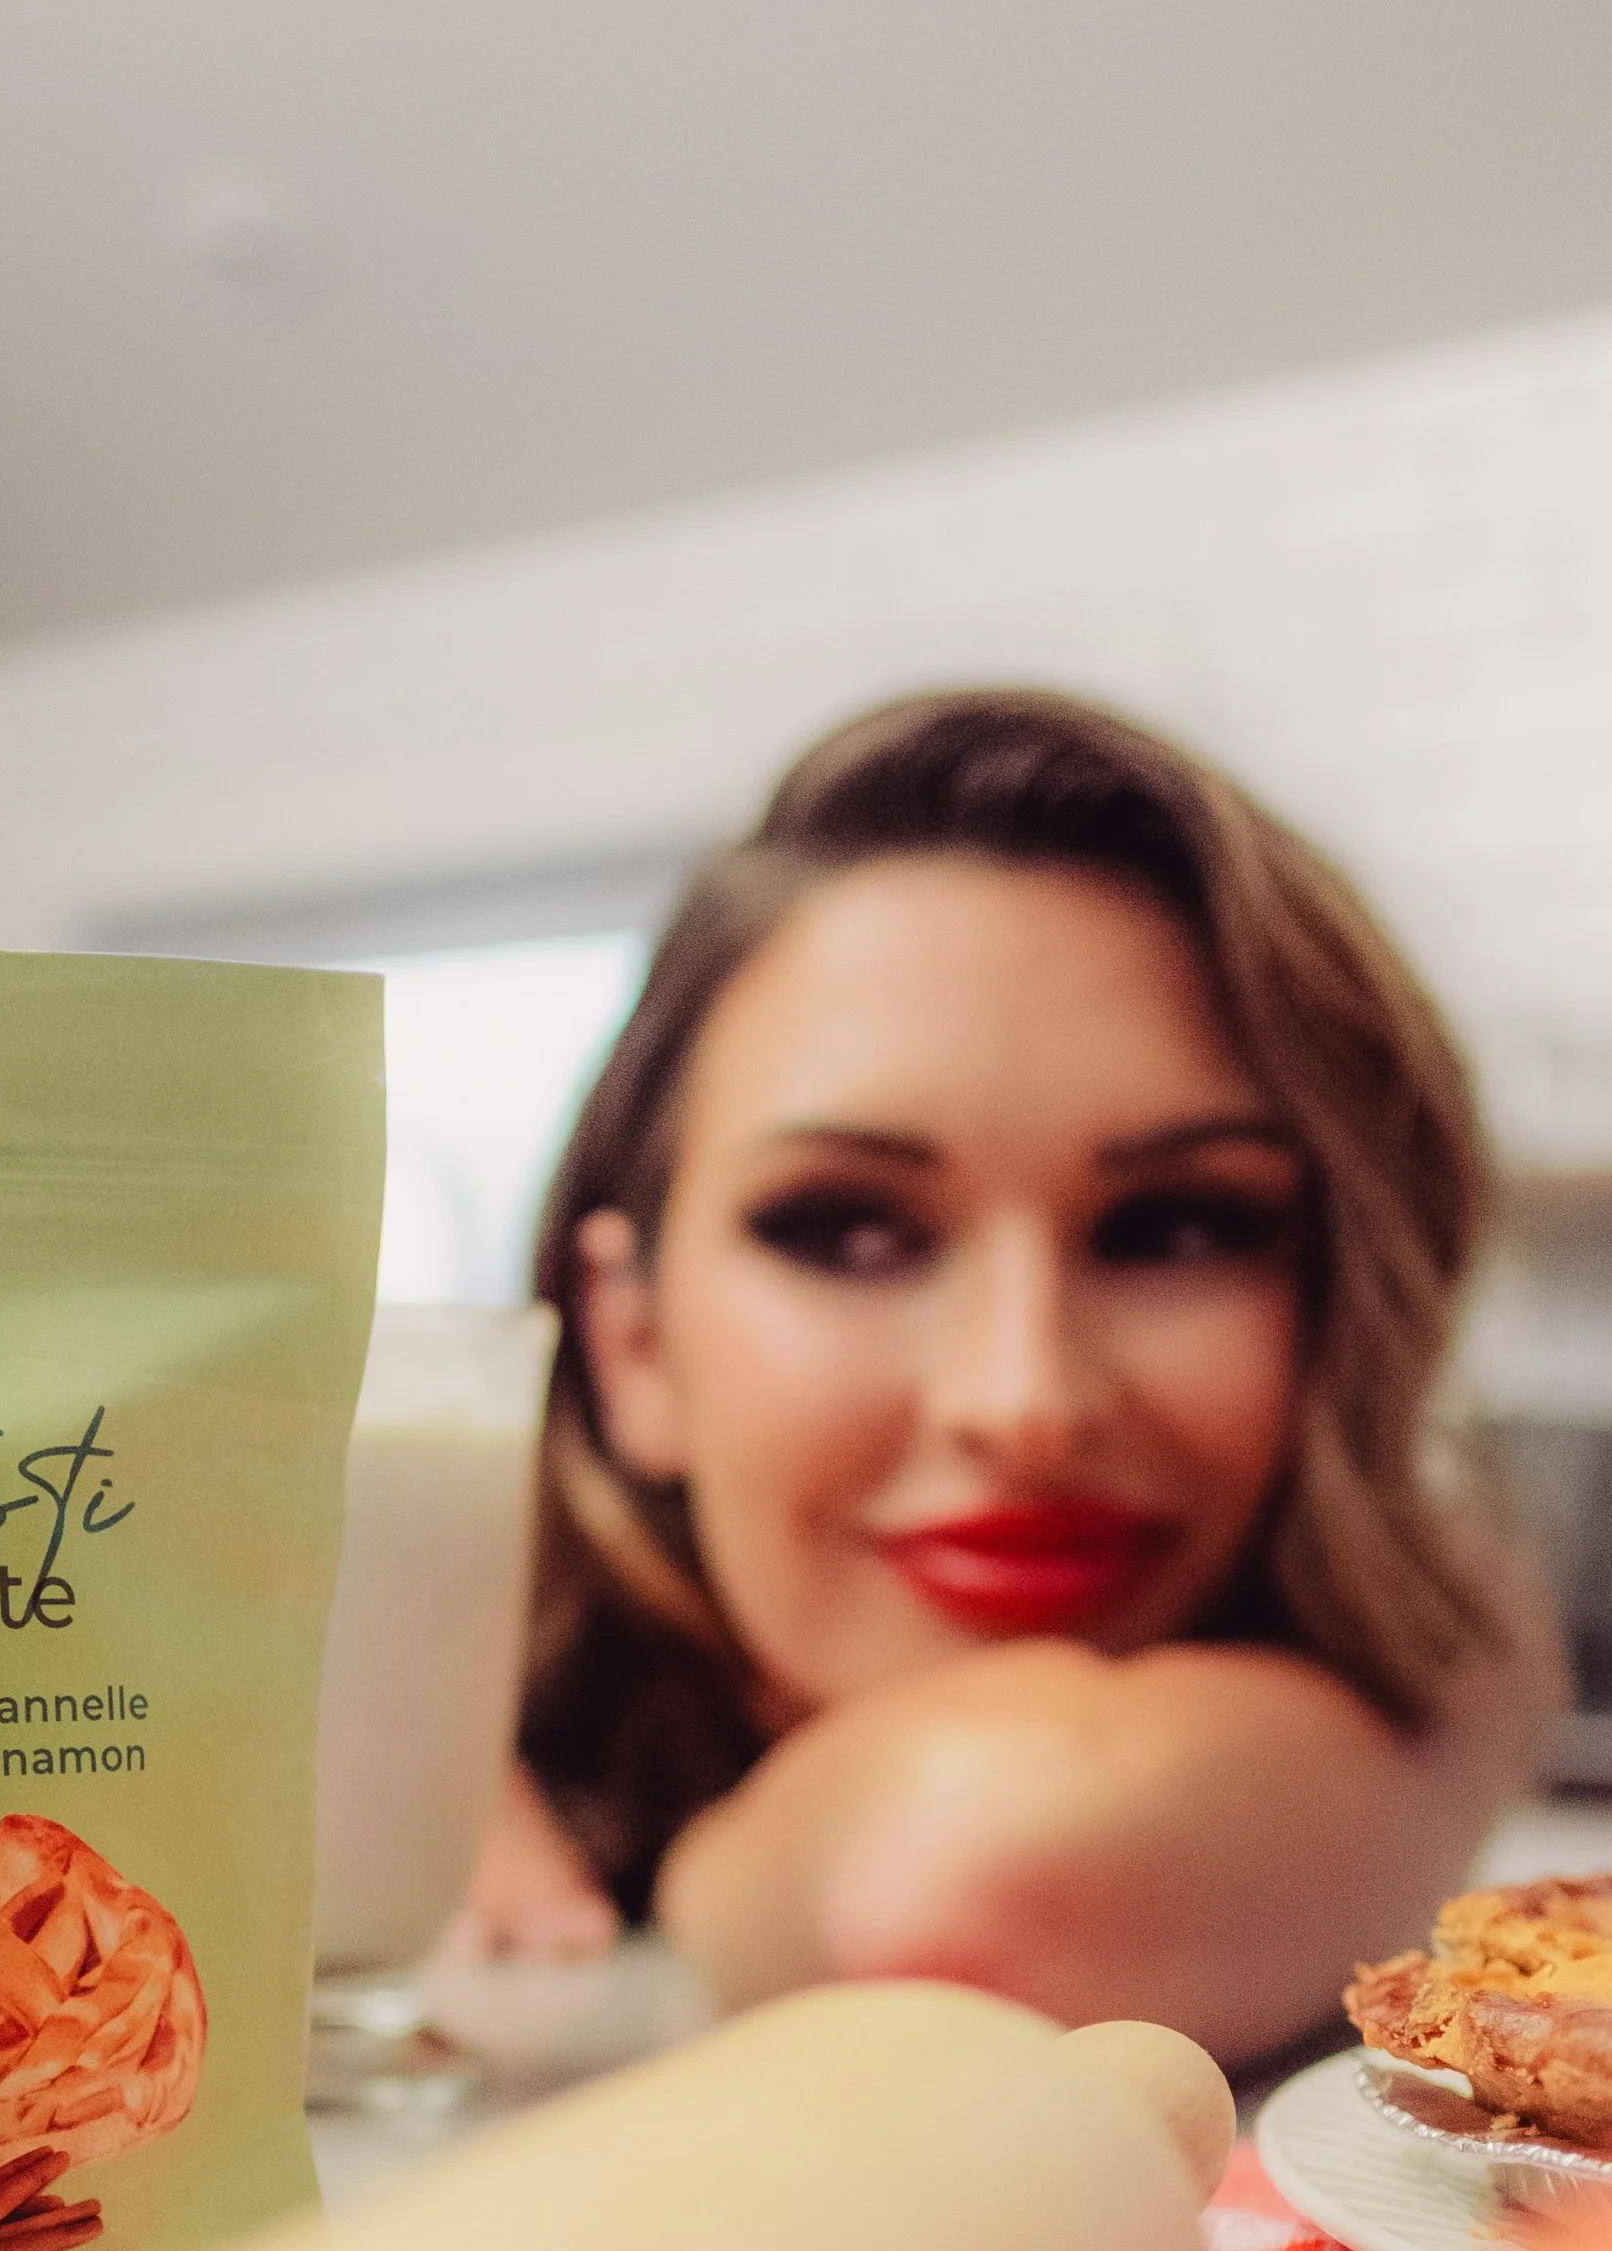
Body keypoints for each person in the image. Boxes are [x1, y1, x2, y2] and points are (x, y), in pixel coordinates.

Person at [464, 689, 1558, 2069]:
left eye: (1176, 1226)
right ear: (632, 1344)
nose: (1022, 1400)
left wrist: (705, 1874)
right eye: (850, 1230)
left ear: (1340, 1312)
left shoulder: (1429, 1680)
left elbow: (978, 1872)